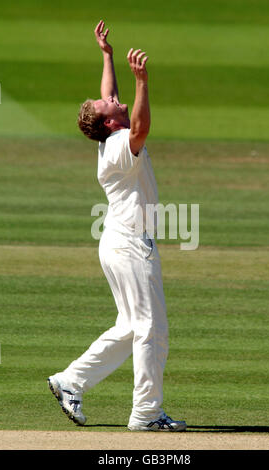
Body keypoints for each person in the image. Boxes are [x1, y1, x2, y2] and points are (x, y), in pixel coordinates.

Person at [47, 20, 187, 432]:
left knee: (130, 327)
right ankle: (146, 414)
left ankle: (70, 381)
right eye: (106, 103)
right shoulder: (121, 147)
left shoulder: (112, 137)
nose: (111, 98)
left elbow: (110, 97)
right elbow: (141, 126)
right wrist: (142, 82)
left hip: (118, 242)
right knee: (150, 331)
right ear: (109, 123)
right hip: (130, 245)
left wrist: (107, 56)